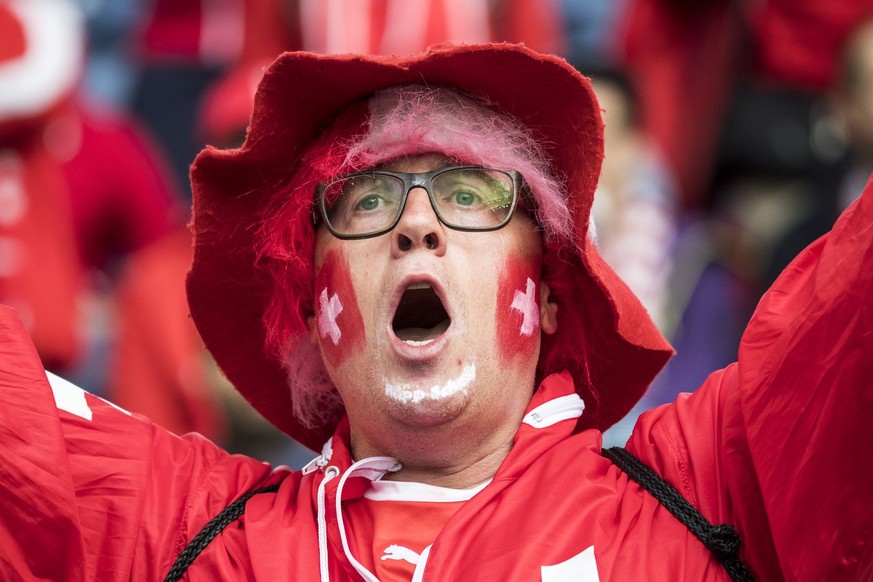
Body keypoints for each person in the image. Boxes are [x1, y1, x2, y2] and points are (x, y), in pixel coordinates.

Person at [1, 44, 871, 581]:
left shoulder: (706, 494)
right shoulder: (186, 535)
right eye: (366, 201)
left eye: (469, 195)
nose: (415, 224)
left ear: (550, 295)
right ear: (311, 309)